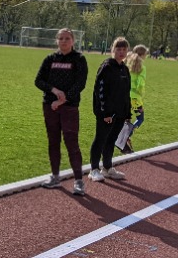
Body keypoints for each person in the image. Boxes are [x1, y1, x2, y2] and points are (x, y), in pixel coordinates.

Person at [34, 28, 88, 194]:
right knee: (53, 142)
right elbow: (38, 80)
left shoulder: (79, 59)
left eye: (67, 38)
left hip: (69, 108)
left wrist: (63, 99)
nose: (64, 41)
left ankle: (78, 181)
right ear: (57, 41)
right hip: (50, 107)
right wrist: (54, 90)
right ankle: (55, 177)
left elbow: (80, 83)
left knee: (72, 143)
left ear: (73, 41)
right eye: (61, 38)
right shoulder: (50, 59)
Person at [89, 37, 131, 182]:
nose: (121, 52)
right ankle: (94, 169)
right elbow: (99, 91)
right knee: (100, 139)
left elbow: (126, 92)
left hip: (120, 113)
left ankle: (107, 168)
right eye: (118, 49)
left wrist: (127, 112)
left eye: (124, 49)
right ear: (113, 50)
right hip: (107, 113)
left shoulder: (124, 69)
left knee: (111, 140)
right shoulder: (106, 67)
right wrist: (105, 113)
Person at [123, 44, 148, 154]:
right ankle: (126, 136)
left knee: (126, 119)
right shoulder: (141, 67)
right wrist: (140, 96)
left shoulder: (127, 63)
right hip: (135, 98)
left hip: (125, 95)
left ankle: (124, 139)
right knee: (140, 118)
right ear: (142, 55)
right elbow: (140, 84)